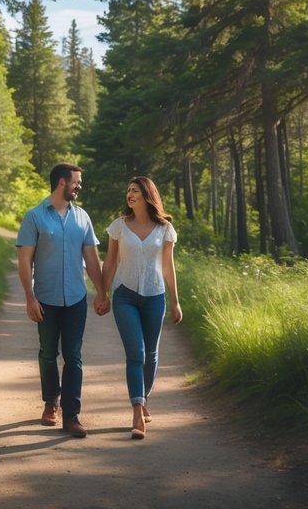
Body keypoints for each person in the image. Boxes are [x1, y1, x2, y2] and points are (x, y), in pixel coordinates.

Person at [16, 162, 104, 438]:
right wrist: (30, 297)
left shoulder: (83, 218)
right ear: (61, 183)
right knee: (47, 353)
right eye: (76, 182)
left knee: (74, 356)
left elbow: (91, 259)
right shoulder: (34, 217)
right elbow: (25, 260)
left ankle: (72, 415)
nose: (79, 186)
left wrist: (102, 292)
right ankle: (50, 401)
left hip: (76, 298)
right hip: (46, 298)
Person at [93, 175, 182, 440]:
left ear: (147, 195)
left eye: (135, 191)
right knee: (136, 353)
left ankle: (143, 399)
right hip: (125, 296)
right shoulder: (119, 227)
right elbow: (109, 262)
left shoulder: (165, 229)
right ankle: (136, 411)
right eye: (128, 191)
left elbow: (168, 266)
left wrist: (175, 301)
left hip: (155, 296)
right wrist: (102, 293)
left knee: (151, 354)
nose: (130, 194)